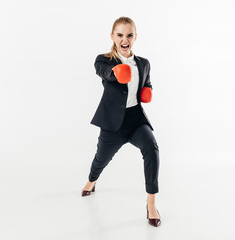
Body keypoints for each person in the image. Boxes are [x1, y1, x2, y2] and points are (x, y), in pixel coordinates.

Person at [81, 16, 161, 227]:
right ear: (113, 37)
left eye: (129, 35)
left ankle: (151, 203)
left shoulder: (143, 63)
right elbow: (104, 73)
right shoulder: (103, 59)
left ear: (135, 37)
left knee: (152, 149)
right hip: (112, 124)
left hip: (136, 120)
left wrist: (148, 89)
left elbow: (147, 80)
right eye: (120, 35)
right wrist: (116, 73)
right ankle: (92, 181)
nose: (124, 39)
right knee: (101, 159)